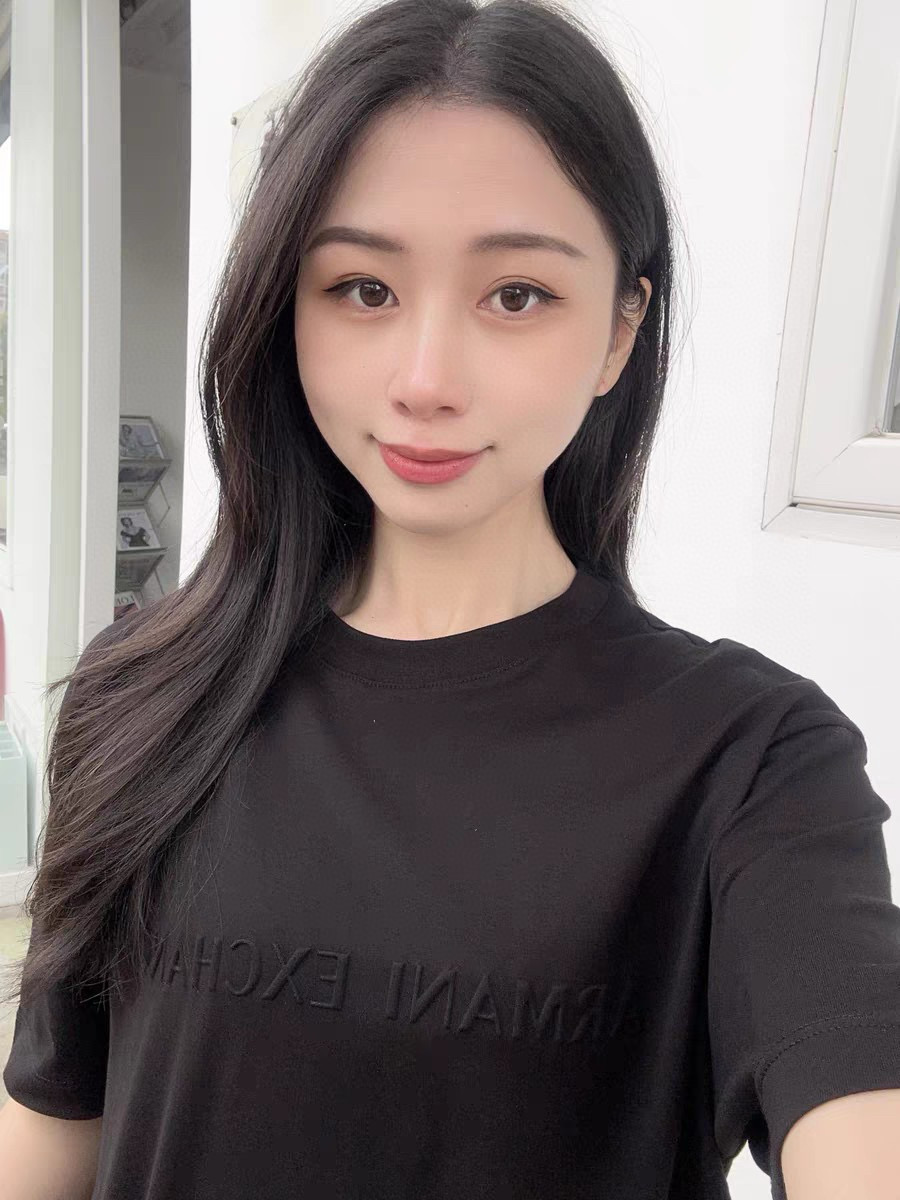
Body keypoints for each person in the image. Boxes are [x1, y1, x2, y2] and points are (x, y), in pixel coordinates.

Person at [2, 1, 900, 1197]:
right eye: (363, 289)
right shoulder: (143, 696)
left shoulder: (749, 762)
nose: (426, 381)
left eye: (515, 295)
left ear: (620, 330)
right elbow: (51, 1135)